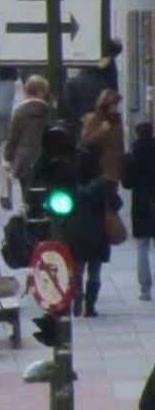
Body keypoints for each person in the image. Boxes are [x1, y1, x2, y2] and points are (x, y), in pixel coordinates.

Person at [67, 146, 116, 317]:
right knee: (95, 271)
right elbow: (116, 204)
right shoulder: (104, 184)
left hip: (77, 231)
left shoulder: (71, 185)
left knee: (77, 268)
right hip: (99, 232)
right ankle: (90, 307)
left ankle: (77, 292)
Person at [3, 74, 52, 197]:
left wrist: (8, 159)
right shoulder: (49, 112)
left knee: (26, 192)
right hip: (44, 158)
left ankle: (27, 207)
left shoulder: (20, 112)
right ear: (43, 92)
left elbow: (13, 138)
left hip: (23, 160)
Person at [123, 122, 155, 301]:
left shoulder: (132, 155)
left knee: (142, 247)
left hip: (141, 204)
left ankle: (146, 289)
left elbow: (126, 183)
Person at [81, 89, 125, 184]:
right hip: (99, 165)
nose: (115, 108)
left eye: (116, 105)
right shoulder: (93, 118)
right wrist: (101, 130)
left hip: (114, 165)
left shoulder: (116, 120)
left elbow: (119, 142)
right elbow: (86, 140)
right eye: (112, 105)